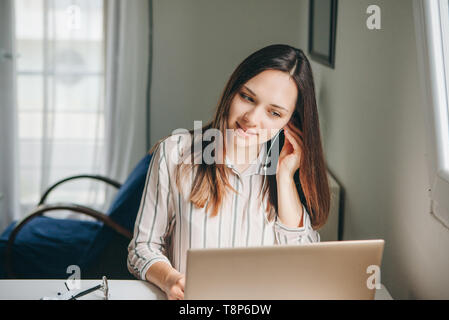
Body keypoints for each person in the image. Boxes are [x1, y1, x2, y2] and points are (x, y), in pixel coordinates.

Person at [127, 44, 330, 300]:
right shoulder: (175, 152)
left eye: (274, 112)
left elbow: (304, 266)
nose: (252, 118)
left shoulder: (286, 169)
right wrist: (170, 279)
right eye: (247, 97)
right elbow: (142, 248)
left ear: (290, 123)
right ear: (232, 89)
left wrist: (285, 177)